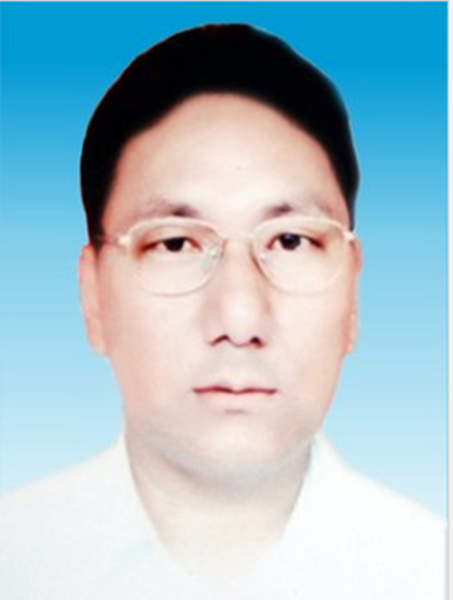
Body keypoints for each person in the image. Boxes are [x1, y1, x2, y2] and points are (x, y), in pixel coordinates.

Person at [0, 23, 445, 600]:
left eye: (290, 241)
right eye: (175, 243)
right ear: (93, 297)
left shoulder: (431, 570)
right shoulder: (16, 558)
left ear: (353, 294)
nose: (239, 320)